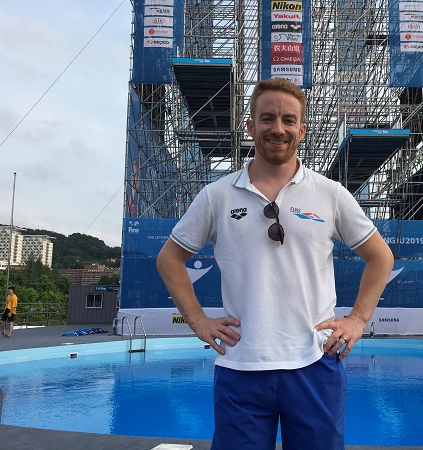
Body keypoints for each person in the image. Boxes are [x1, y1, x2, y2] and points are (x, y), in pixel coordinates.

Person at [156, 77, 394, 450]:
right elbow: (170, 258)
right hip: (242, 365)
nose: (277, 129)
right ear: (250, 126)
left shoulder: (330, 194)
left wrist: (358, 319)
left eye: (288, 120)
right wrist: (198, 321)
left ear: (302, 129)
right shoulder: (217, 196)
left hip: (314, 362)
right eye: (267, 118)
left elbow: (380, 256)